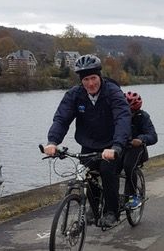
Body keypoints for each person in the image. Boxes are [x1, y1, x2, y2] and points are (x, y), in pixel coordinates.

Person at [44, 54, 131, 229]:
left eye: (93, 78)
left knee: (107, 171)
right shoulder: (75, 95)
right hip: (89, 144)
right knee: (86, 174)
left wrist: (117, 145)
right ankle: (94, 206)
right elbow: (62, 119)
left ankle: (111, 211)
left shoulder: (112, 92)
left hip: (111, 144)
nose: (90, 84)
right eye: (86, 79)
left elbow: (122, 117)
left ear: (100, 76)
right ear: (81, 80)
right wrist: (53, 142)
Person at [121, 91, 158, 209]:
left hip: (137, 149)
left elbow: (153, 136)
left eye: (131, 111)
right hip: (121, 147)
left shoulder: (143, 117)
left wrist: (141, 139)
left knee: (128, 166)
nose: (128, 114)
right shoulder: (117, 115)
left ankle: (133, 197)